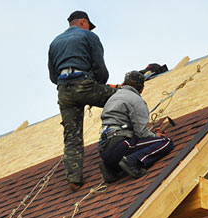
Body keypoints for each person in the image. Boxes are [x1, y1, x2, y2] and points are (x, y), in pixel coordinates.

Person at [48, 10, 118, 191]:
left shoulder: (55, 42)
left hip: (64, 91)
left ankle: (74, 179)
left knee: (72, 137)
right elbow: (100, 68)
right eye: (88, 25)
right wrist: (97, 86)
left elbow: (52, 75)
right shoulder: (88, 36)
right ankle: (127, 141)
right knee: (120, 98)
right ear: (82, 22)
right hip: (84, 84)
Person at [97, 71, 174, 183]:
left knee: (135, 145)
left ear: (124, 83)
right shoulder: (136, 100)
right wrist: (154, 136)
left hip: (104, 150)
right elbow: (141, 133)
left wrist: (151, 135)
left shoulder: (112, 99)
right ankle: (132, 161)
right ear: (141, 89)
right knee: (166, 142)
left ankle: (111, 168)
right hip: (121, 145)